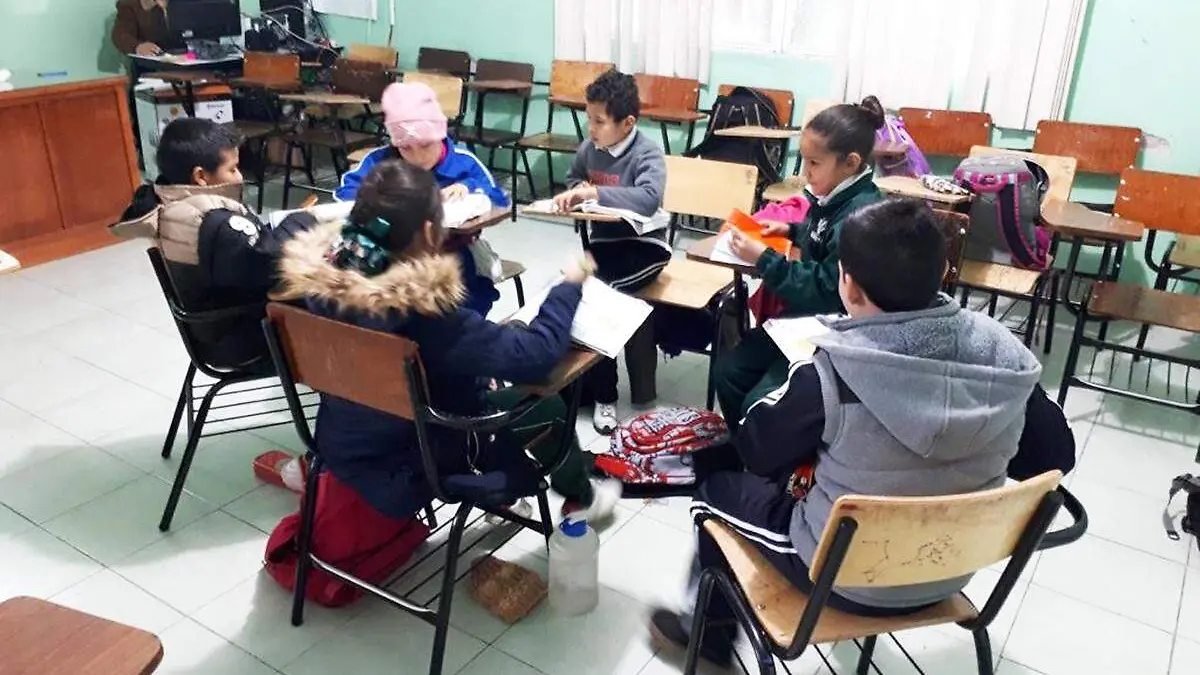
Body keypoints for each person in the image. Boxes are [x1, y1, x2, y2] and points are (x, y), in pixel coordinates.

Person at [648, 198, 1073, 668]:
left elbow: (757, 451)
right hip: (951, 568)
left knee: (715, 487)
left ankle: (710, 637)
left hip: (840, 578)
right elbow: (1055, 457)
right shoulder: (1004, 355)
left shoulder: (831, 372)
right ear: (944, 270)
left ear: (847, 285)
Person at [276, 159, 621, 521]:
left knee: (483, 373)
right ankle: (583, 499)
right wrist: (569, 285)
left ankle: (507, 496)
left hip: (343, 444)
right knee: (546, 404)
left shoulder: (321, 284)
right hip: (417, 458)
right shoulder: (421, 313)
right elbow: (536, 357)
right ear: (430, 232)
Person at [714, 96, 886, 425]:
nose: (805, 174)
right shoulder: (834, 195)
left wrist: (763, 259)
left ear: (850, 163)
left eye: (814, 164)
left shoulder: (861, 216)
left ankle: (765, 449)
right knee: (730, 371)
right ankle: (747, 448)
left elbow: (826, 288)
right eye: (803, 161)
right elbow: (820, 232)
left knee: (762, 401)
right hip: (802, 317)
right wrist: (791, 230)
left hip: (834, 328)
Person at [110, 117, 316, 371]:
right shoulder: (215, 223)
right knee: (340, 302)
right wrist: (301, 221)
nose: (239, 177)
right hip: (244, 339)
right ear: (200, 176)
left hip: (213, 332)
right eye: (232, 169)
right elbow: (275, 265)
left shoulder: (171, 204)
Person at [551, 69, 671, 434]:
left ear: (628, 123)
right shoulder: (589, 149)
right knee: (571, 289)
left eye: (599, 121)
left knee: (601, 297)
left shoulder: (647, 153)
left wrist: (595, 193)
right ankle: (589, 386)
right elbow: (574, 179)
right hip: (604, 247)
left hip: (645, 249)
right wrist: (574, 194)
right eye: (589, 119)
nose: (591, 129)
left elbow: (648, 199)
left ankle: (606, 397)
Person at [336, 82, 509, 318]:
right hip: (392, 251)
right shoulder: (380, 161)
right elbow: (347, 192)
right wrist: (383, 200)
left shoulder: (463, 162)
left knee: (464, 295)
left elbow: (499, 199)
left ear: (440, 134)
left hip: (453, 249)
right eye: (406, 148)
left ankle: (462, 326)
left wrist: (468, 187)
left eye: (426, 144)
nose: (417, 156)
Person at [111, 0, 178, 56]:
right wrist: (138, 46)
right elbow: (121, 35)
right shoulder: (129, 5)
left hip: (180, 55)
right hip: (152, 60)